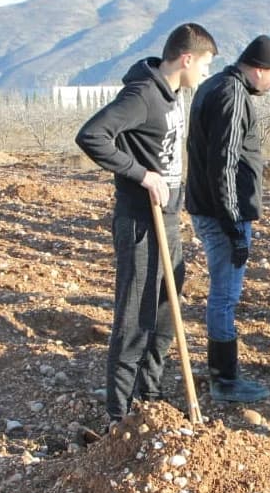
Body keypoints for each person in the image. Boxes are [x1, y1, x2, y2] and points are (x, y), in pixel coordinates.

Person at [75, 23, 218, 425]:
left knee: (166, 313)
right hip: (140, 222)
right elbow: (92, 135)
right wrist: (142, 175)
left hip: (167, 220)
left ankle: (149, 395)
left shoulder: (173, 95)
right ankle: (119, 415)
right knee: (135, 319)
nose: (205, 72)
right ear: (186, 59)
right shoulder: (142, 95)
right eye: (205, 64)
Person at [186, 34, 270, 403]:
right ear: (258, 70)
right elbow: (223, 164)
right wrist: (233, 226)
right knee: (225, 296)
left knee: (223, 294)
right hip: (222, 215)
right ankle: (224, 380)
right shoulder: (232, 95)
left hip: (211, 209)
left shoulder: (217, 85)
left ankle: (223, 375)